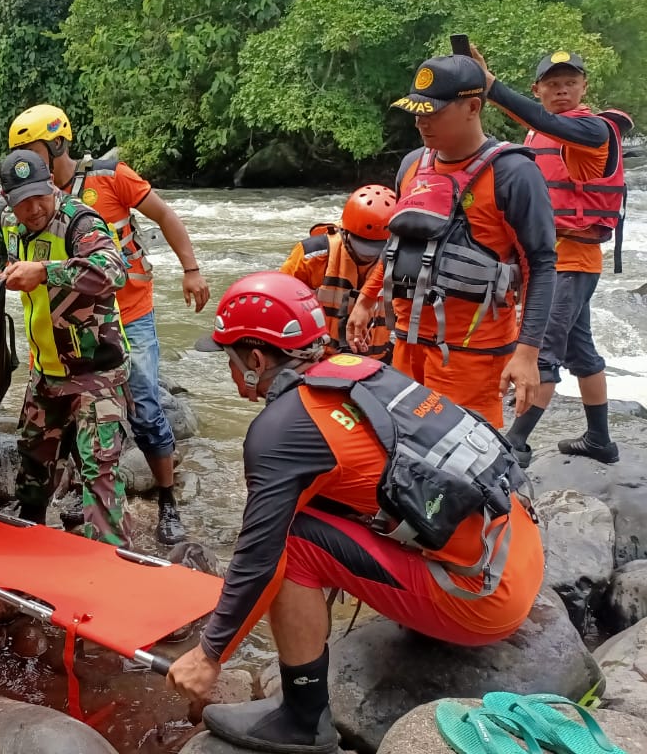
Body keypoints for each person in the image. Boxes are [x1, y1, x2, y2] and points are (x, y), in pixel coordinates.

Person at [168, 273, 543, 753]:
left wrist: (209, 654)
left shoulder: (280, 432)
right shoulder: (361, 371)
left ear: (256, 360)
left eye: (230, 359)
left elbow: (259, 556)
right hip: (516, 550)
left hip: (484, 599)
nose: (231, 371)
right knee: (309, 511)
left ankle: (303, 719)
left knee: (295, 541)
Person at [7, 104, 208, 545]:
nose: (30, 158)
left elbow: (165, 217)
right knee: (69, 423)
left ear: (57, 142)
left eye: (33, 148)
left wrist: (191, 269)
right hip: (71, 324)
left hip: (128, 311)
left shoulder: (109, 176)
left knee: (145, 405)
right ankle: (82, 499)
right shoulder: (31, 202)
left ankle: (166, 498)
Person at [346, 55, 557, 429]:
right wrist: (365, 301)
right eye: (417, 112)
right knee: (405, 446)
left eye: (433, 112)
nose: (420, 122)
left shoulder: (514, 173)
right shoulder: (413, 164)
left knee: (468, 459)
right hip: (408, 344)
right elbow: (399, 243)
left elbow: (540, 266)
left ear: (473, 107)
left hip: (473, 354)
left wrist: (527, 353)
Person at [474, 47, 632, 466]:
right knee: (582, 352)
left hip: (571, 262)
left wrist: (491, 88)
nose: (562, 91)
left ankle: (515, 445)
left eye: (570, 83)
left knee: (541, 354)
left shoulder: (592, 131)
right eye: (552, 84)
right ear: (538, 88)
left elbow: (544, 120)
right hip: (560, 264)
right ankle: (600, 440)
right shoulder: (538, 135)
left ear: (584, 86)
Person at [0, 149, 131, 546]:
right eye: (22, 201)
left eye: (40, 196)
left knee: (100, 471)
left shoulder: (79, 221)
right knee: (32, 463)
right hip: (47, 371)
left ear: (52, 186)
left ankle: (113, 565)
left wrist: (45, 272)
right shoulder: (8, 223)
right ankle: (32, 545)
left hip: (98, 371)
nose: (33, 208)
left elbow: (114, 271)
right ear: (6, 199)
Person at [279, 184, 396, 359]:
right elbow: (279, 304)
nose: (369, 255)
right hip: (317, 359)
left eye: (378, 248)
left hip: (376, 360)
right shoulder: (313, 256)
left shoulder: (402, 261)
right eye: (363, 245)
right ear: (345, 231)